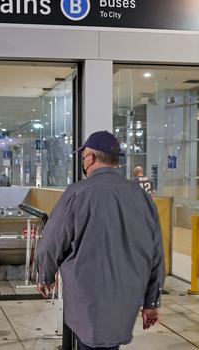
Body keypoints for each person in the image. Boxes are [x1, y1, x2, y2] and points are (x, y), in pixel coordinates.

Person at [35, 130, 164, 350]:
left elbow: (51, 241)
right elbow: (156, 254)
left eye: (84, 156)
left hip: (87, 297)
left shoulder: (77, 193)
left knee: (93, 343)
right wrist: (151, 302)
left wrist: (46, 275)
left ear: (91, 158)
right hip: (127, 295)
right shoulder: (141, 196)